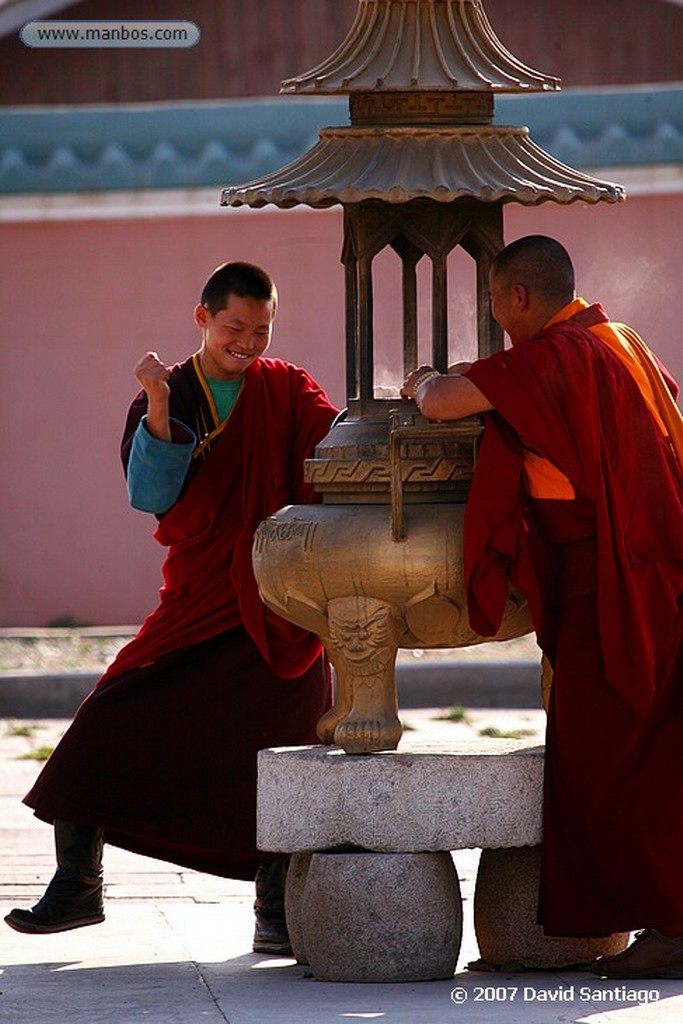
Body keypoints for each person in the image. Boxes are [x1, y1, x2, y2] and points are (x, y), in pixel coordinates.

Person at [5, 261, 339, 954]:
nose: (246, 342)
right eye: (233, 328)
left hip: (281, 601)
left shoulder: (286, 388)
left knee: (284, 751)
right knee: (106, 721)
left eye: (260, 329)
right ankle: (78, 886)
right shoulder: (173, 391)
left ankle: (274, 911)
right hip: (200, 599)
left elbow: (333, 450)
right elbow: (151, 496)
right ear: (202, 319)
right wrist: (157, 402)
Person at [401, 235, 683, 979]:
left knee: (608, 759)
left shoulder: (555, 355)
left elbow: (439, 403)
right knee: (653, 752)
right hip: (659, 573)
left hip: (613, 581)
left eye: (494, 303)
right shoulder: (620, 341)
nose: (495, 319)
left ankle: (670, 924)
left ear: (518, 297)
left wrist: (430, 377)